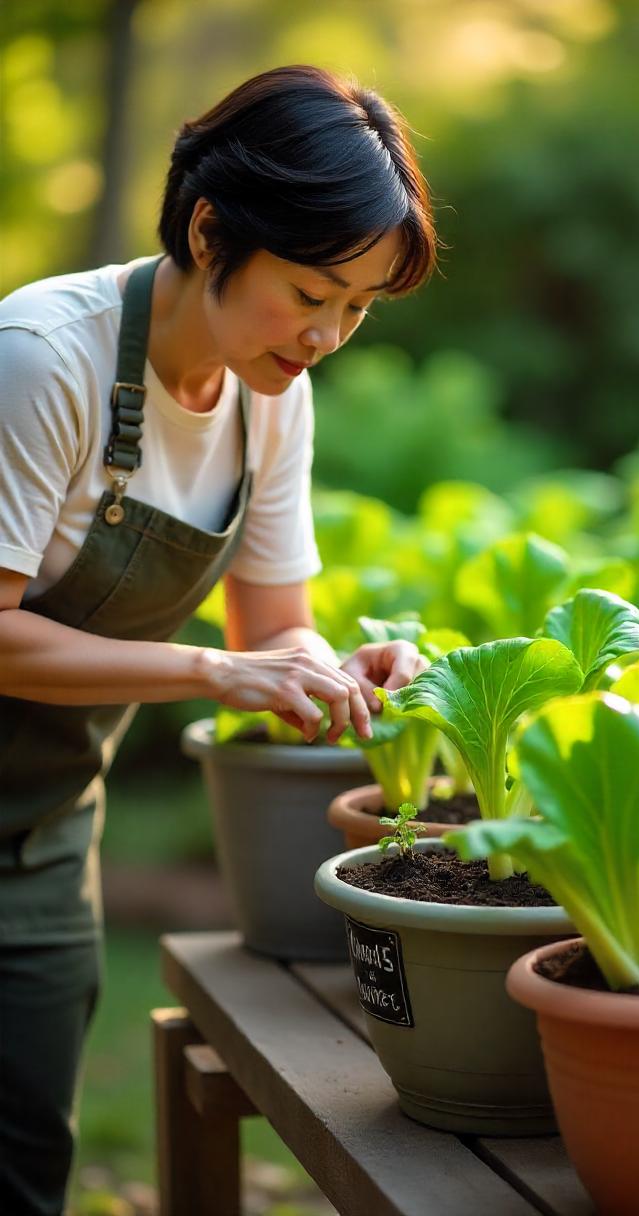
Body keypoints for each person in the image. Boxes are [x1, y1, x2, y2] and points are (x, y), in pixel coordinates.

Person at [0, 64, 436, 1213]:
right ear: (209, 229)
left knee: (23, 1155)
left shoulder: (269, 393)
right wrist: (212, 670)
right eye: (312, 291)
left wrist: (336, 667)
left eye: (359, 307)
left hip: (41, 825)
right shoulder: (46, 356)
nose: (331, 334)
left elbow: (272, 626)